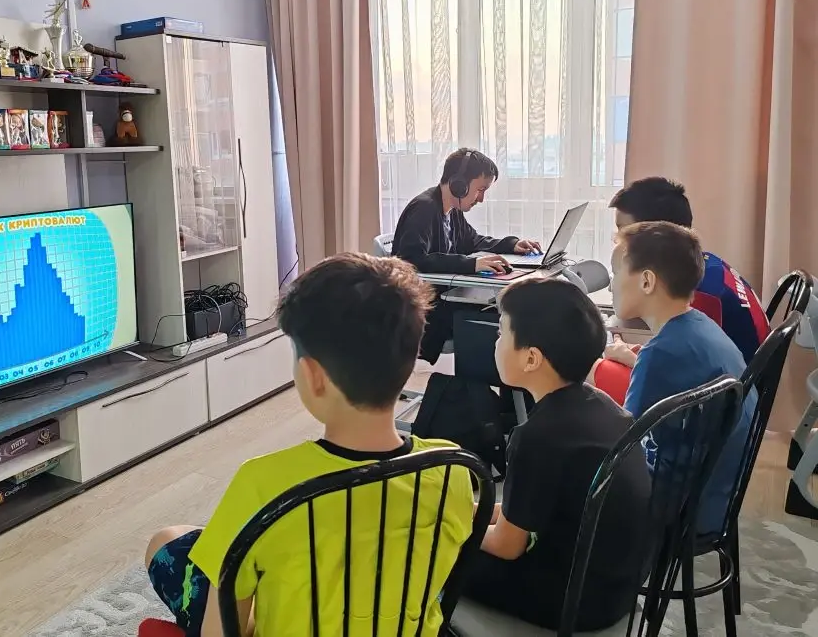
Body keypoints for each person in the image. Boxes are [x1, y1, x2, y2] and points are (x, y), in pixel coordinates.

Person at [143, 253, 475, 637]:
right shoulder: (453, 470)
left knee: (166, 540)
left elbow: (218, 633)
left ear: (312, 376)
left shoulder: (263, 484)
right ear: (412, 356)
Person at [462, 278, 651, 631]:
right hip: (618, 589)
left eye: (501, 333)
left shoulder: (536, 437)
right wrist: (469, 509)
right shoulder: (603, 406)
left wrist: (452, 525)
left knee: (431, 549)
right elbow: (526, 508)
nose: (495, 341)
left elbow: (507, 545)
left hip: (572, 601)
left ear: (531, 358)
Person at [611, 222, 756, 534]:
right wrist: (633, 358)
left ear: (647, 281)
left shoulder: (661, 354)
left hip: (683, 509)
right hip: (719, 493)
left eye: (616, 272)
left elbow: (622, 447)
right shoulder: (700, 326)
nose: (612, 285)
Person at [592, 177, 768, 405]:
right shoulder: (704, 269)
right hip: (732, 397)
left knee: (584, 374)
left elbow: (633, 422)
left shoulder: (705, 298)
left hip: (720, 407)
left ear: (655, 233)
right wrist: (637, 358)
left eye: (625, 230)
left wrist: (641, 360)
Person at [391, 148, 541, 363]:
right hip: (426, 309)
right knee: (496, 317)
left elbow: (472, 240)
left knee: (505, 310)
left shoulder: (452, 211)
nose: (481, 199)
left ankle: (506, 381)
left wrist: (512, 244)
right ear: (459, 184)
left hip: (447, 297)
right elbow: (411, 259)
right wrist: (471, 264)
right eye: (480, 189)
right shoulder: (424, 209)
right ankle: (481, 382)